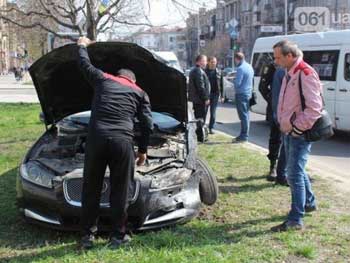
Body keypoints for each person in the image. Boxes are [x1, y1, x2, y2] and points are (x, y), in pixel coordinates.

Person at [77, 37, 153, 249]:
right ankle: (117, 237)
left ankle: (87, 237)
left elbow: (84, 65)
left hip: (97, 139)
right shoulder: (140, 92)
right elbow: (147, 124)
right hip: (122, 142)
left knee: (91, 187)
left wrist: (82, 46)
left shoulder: (104, 79)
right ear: (133, 81)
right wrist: (143, 150)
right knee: (120, 190)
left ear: (118, 76)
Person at [271, 40, 321, 232]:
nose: (275, 61)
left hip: (298, 133)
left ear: (289, 56)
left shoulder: (305, 73)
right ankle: (309, 202)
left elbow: (314, 108)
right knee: (297, 170)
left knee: (294, 174)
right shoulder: (289, 72)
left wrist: (297, 129)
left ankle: (295, 219)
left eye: (278, 57)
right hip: (289, 131)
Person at [258, 63, 288, 186]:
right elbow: (262, 87)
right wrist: (272, 99)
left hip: (289, 108)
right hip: (275, 108)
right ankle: (273, 166)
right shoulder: (272, 67)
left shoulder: (291, 67)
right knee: (275, 138)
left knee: (289, 140)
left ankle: (285, 169)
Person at [232, 52, 254, 143]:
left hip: (241, 94)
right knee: (246, 115)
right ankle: (245, 134)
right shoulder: (249, 66)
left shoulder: (240, 69)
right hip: (248, 93)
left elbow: (237, 84)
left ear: (237, 59)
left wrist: (233, 79)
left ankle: (244, 135)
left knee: (243, 116)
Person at [188, 54, 211, 142]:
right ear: (199, 61)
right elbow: (200, 87)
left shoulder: (198, 70)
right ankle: (201, 137)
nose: (206, 62)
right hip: (200, 100)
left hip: (198, 100)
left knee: (200, 118)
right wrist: (205, 98)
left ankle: (201, 136)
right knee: (200, 119)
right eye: (204, 61)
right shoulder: (197, 71)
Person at [205, 56, 224, 134]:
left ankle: (211, 128)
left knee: (213, 113)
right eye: (212, 62)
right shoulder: (204, 72)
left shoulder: (219, 72)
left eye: (215, 62)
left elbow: (222, 84)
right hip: (206, 95)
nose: (214, 63)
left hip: (215, 95)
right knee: (204, 112)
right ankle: (202, 127)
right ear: (208, 62)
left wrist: (222, 96)